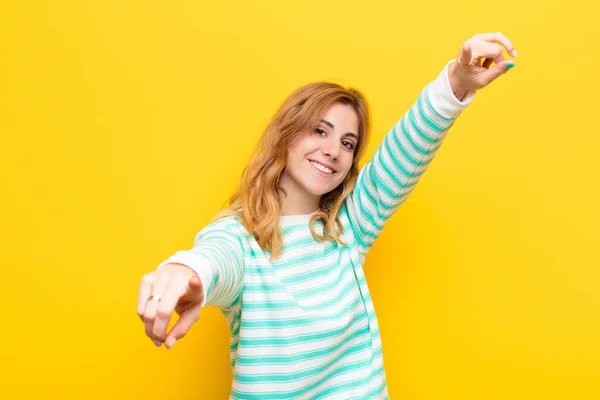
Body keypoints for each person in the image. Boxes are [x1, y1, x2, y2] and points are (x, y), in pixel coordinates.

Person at [137, 32, 517, 399]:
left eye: (347, 143)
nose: (334, 150)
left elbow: (409, 145)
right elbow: (215, 259)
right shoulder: (240, 239)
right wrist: (187, 272)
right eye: (320, 131)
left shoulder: (348, 228)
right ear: (286, 135)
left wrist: (457, 81)